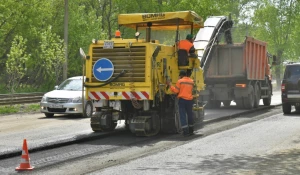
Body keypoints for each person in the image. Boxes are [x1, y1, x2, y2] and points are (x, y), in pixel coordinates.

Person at [168, 70, 195, 136]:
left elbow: (175, 91)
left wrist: (170, 85)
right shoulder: (191, 81)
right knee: (190, 115)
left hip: (182, 100)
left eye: (179, 76)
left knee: (182, 116)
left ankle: (185, 132)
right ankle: (191, 130)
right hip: (190, 100)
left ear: (181, 75)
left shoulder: (180, 81)